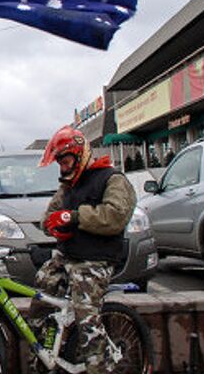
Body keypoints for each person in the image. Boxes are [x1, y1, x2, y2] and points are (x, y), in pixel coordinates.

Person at [30, 126, 136, 374]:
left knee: (85, 315)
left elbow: (115, 216)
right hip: (68, 256)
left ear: (80, 155)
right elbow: (49, 216)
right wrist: (53, 225)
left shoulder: (112, 179)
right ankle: (48, 355)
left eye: (65, 161)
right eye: (60, 163)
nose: (63, 168)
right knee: (40, 300)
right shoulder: (68, 185)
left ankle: (99, 366)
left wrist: (75, 217)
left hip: (95, 260)